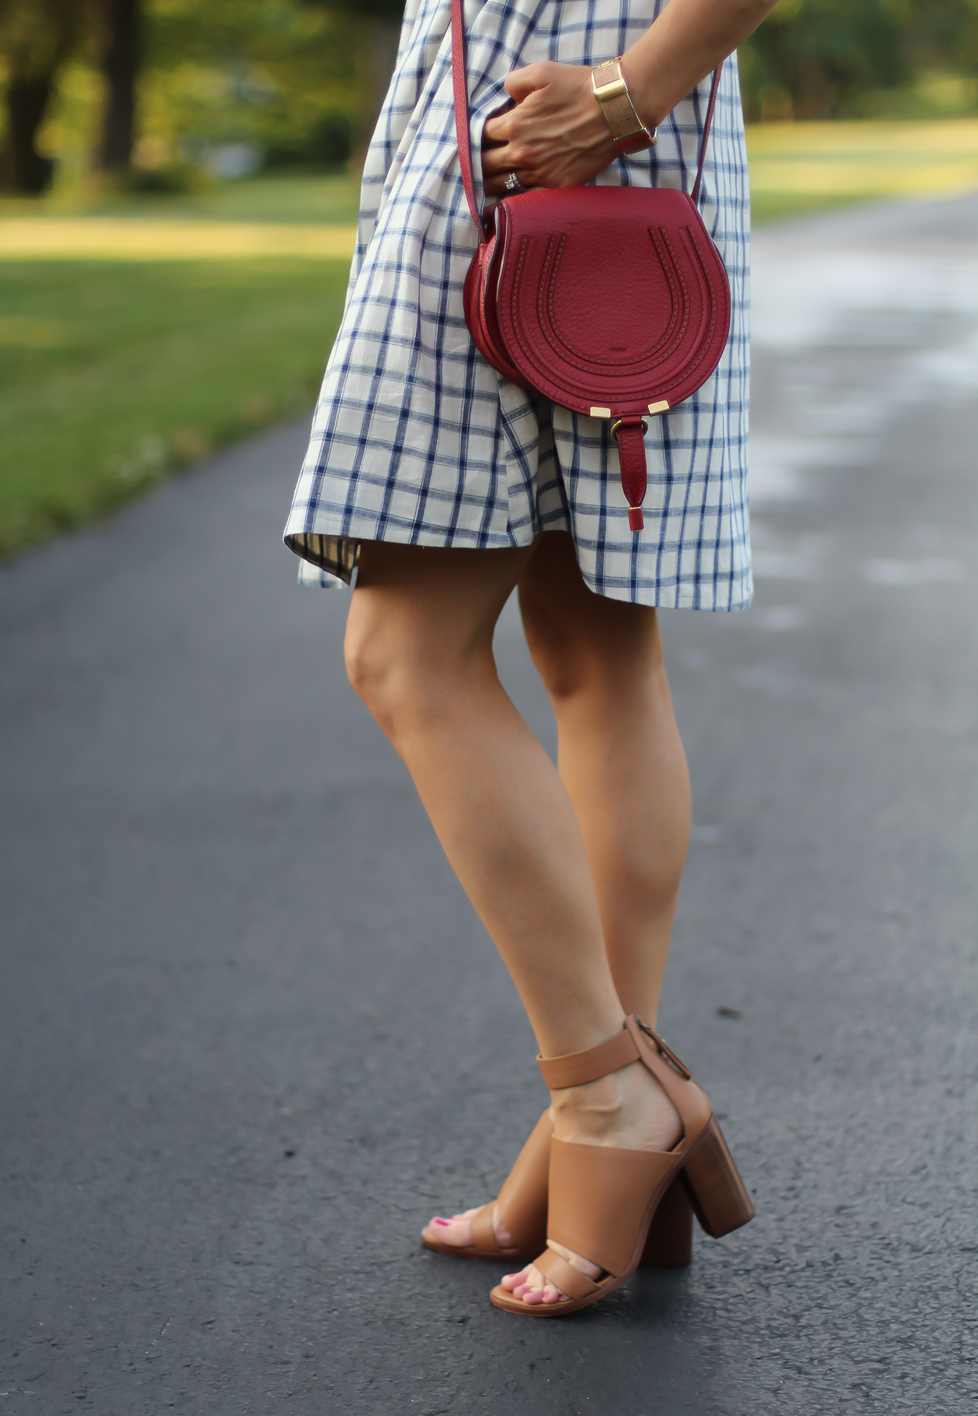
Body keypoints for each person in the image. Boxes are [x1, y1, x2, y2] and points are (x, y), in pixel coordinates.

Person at [284, 0, 778, 1314]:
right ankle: (596, 1125)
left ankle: (605, 1099)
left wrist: (624, 95)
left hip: (569, 129)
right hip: (526, 128)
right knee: (592, 648)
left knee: (404, 652)